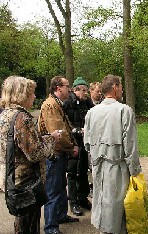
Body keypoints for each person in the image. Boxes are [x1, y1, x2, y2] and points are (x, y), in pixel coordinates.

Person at [0, 76, 61, 234]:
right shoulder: (22, 118)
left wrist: (46, 138)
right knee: (28, 226)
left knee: (21, 224)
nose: (34, 96)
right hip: (26, 183)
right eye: (32, 93)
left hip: (11, 178)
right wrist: (51, 141)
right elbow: (35, 153)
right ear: (22, 95)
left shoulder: (5, 115)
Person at [84, 74, 142, 234]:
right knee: (117, 208)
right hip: (117, 167)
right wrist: (135, 172)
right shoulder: (124, 110)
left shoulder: (91, 112)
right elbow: (130, 146)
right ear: (115, 87)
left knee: (102, 203)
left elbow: (86, 143)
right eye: (121, 86)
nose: (122, 90)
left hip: (98, 167)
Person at [38, 75, 79, 234]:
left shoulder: (57, 104)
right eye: (67, 86)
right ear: (58, 88)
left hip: (60, 153)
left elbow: (65, 128)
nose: (69, 89)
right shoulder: (50, 105)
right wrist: (72, 148)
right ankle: (51, 227)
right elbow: (58, 134)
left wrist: (72, 144)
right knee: (53, 190)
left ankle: (60, 216)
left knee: (61, 186)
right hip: (54, 154)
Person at [63, 77, 93, 216]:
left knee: (83, 170)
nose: (86, 93)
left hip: (84, 142)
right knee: (72, 172)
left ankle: (83, 198)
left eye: (87, 90)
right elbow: (65, 123)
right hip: (73, 142)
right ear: (76, 90)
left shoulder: (87, 102)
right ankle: (73, 202)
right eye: (84, 90)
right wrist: (77, 130)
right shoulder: (68, 103)